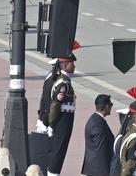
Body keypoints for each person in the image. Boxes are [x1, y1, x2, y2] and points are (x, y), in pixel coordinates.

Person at [45, 42, 81, 176]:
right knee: (59, 149)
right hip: (63, 118)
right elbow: (55, 105)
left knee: (61, 147)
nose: (74, 66)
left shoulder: (65, 81)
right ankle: (53, 173)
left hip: (65, 117)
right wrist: (52, 124)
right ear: (65, 65)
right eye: (72, 64)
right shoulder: (63, 83)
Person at [82, 95, 115, 176]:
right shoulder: (98, 125)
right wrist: (105, 172)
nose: (111, 108)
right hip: (99, 171)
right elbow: (101, 150)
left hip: (94, 169)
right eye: (111, 105)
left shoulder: (95, 119)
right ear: (106, 106)